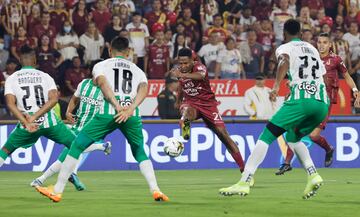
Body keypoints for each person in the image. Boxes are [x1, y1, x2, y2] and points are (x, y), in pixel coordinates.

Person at [35, 36, 169, 203]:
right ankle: (156, 189)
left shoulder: (102, 65)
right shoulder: (137, 70)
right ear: (128, 52)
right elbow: (144, 88)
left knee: (76, 145)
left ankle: (57, 190)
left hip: (108, 113)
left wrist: (116, 105)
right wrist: (130, 109)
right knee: (140, 151)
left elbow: (103, 84)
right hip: (131, 115)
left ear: (110, 50)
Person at [219, 19, 329, 199]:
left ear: (284, 34)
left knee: (266, 136)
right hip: (321, 102)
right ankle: (313, 174)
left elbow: (284, 61)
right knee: (293, 138)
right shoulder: (313, 49)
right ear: (301, 33)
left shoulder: (284, 48)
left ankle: (244, 181)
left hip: (301, 100)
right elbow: (322, 78)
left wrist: (277, 86)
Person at [276, 32, 360, 174]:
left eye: (324, 42)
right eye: (319, 42)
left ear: (329, 44)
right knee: (294, 129)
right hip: (308, 97)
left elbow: (346, 76)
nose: (321, 45)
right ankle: (286, 163)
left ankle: (328, 149)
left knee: (313, 136)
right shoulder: (310, 57)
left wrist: (355, 90)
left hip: (325, 101)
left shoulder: (335, 59)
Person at [171, 47, 246, 178]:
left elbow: (199, 76)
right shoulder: (180, 71)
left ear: (192, 60)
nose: (183, 66)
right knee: (187, 112)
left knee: (223, 136)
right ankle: (185, 124)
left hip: (208, 105)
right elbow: (181, 86)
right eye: (180, 63)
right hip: (191, 102)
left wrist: (181, 74)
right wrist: (178, 100)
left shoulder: (200, 67)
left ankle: (244, 170)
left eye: (185, 63)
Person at [30, 74, 112, 191]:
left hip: (90, 129)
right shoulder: (84, 84)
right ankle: (102, 147)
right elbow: (74, 98)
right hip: (77, 125)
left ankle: (41, 179)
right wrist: (68, 112)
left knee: (65, 156)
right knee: (66, 157)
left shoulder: (106, 89)